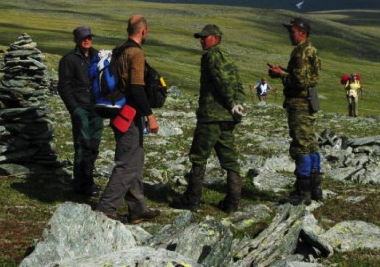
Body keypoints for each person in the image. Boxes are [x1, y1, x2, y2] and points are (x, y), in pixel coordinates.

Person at [170, 24, 245, 213]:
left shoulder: (212, 56)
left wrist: (230, 102)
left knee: (199, 157)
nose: (202, 40)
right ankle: (233, 202)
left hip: (211, 116)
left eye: (205, 37)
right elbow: (237, 82)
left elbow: (223, 82)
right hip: (226, 118)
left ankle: (192, 200)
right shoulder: (227, 57)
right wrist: (238, 104)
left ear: (216, 38)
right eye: (201, 38)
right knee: (230, 159)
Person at [96, 14, 161, 223]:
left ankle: (137, 209)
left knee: (135, 160)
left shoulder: (120, 50)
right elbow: (136, 88)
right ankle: (106, 207)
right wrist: (150, 116)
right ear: (143, 31)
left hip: (121, 111)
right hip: (129, 113)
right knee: (127, 163)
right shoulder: (135, 53)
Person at [268, 17, 322, 205]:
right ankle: (315, 187)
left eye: (292, 31)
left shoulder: (301, 52)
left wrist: (280, 74)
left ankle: (302, 191)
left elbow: (300, 81)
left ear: (302, 33)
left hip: (299, 103)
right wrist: (284, 71)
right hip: (307, 101)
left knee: (300, 145)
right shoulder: (310, 50)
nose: (289, 35)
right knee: (310, 143)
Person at [58, 25, 104, 196]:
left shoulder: (98, 57)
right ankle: (80, 185)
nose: (87, 40)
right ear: (76, 40)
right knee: (82, 145)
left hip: (97, 109)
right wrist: (74, 109)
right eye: (83, 37)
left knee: (93, 146)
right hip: (81, 109)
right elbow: (63, 87)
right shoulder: (68, 60)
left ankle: (88, 181)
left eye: (89, 37)